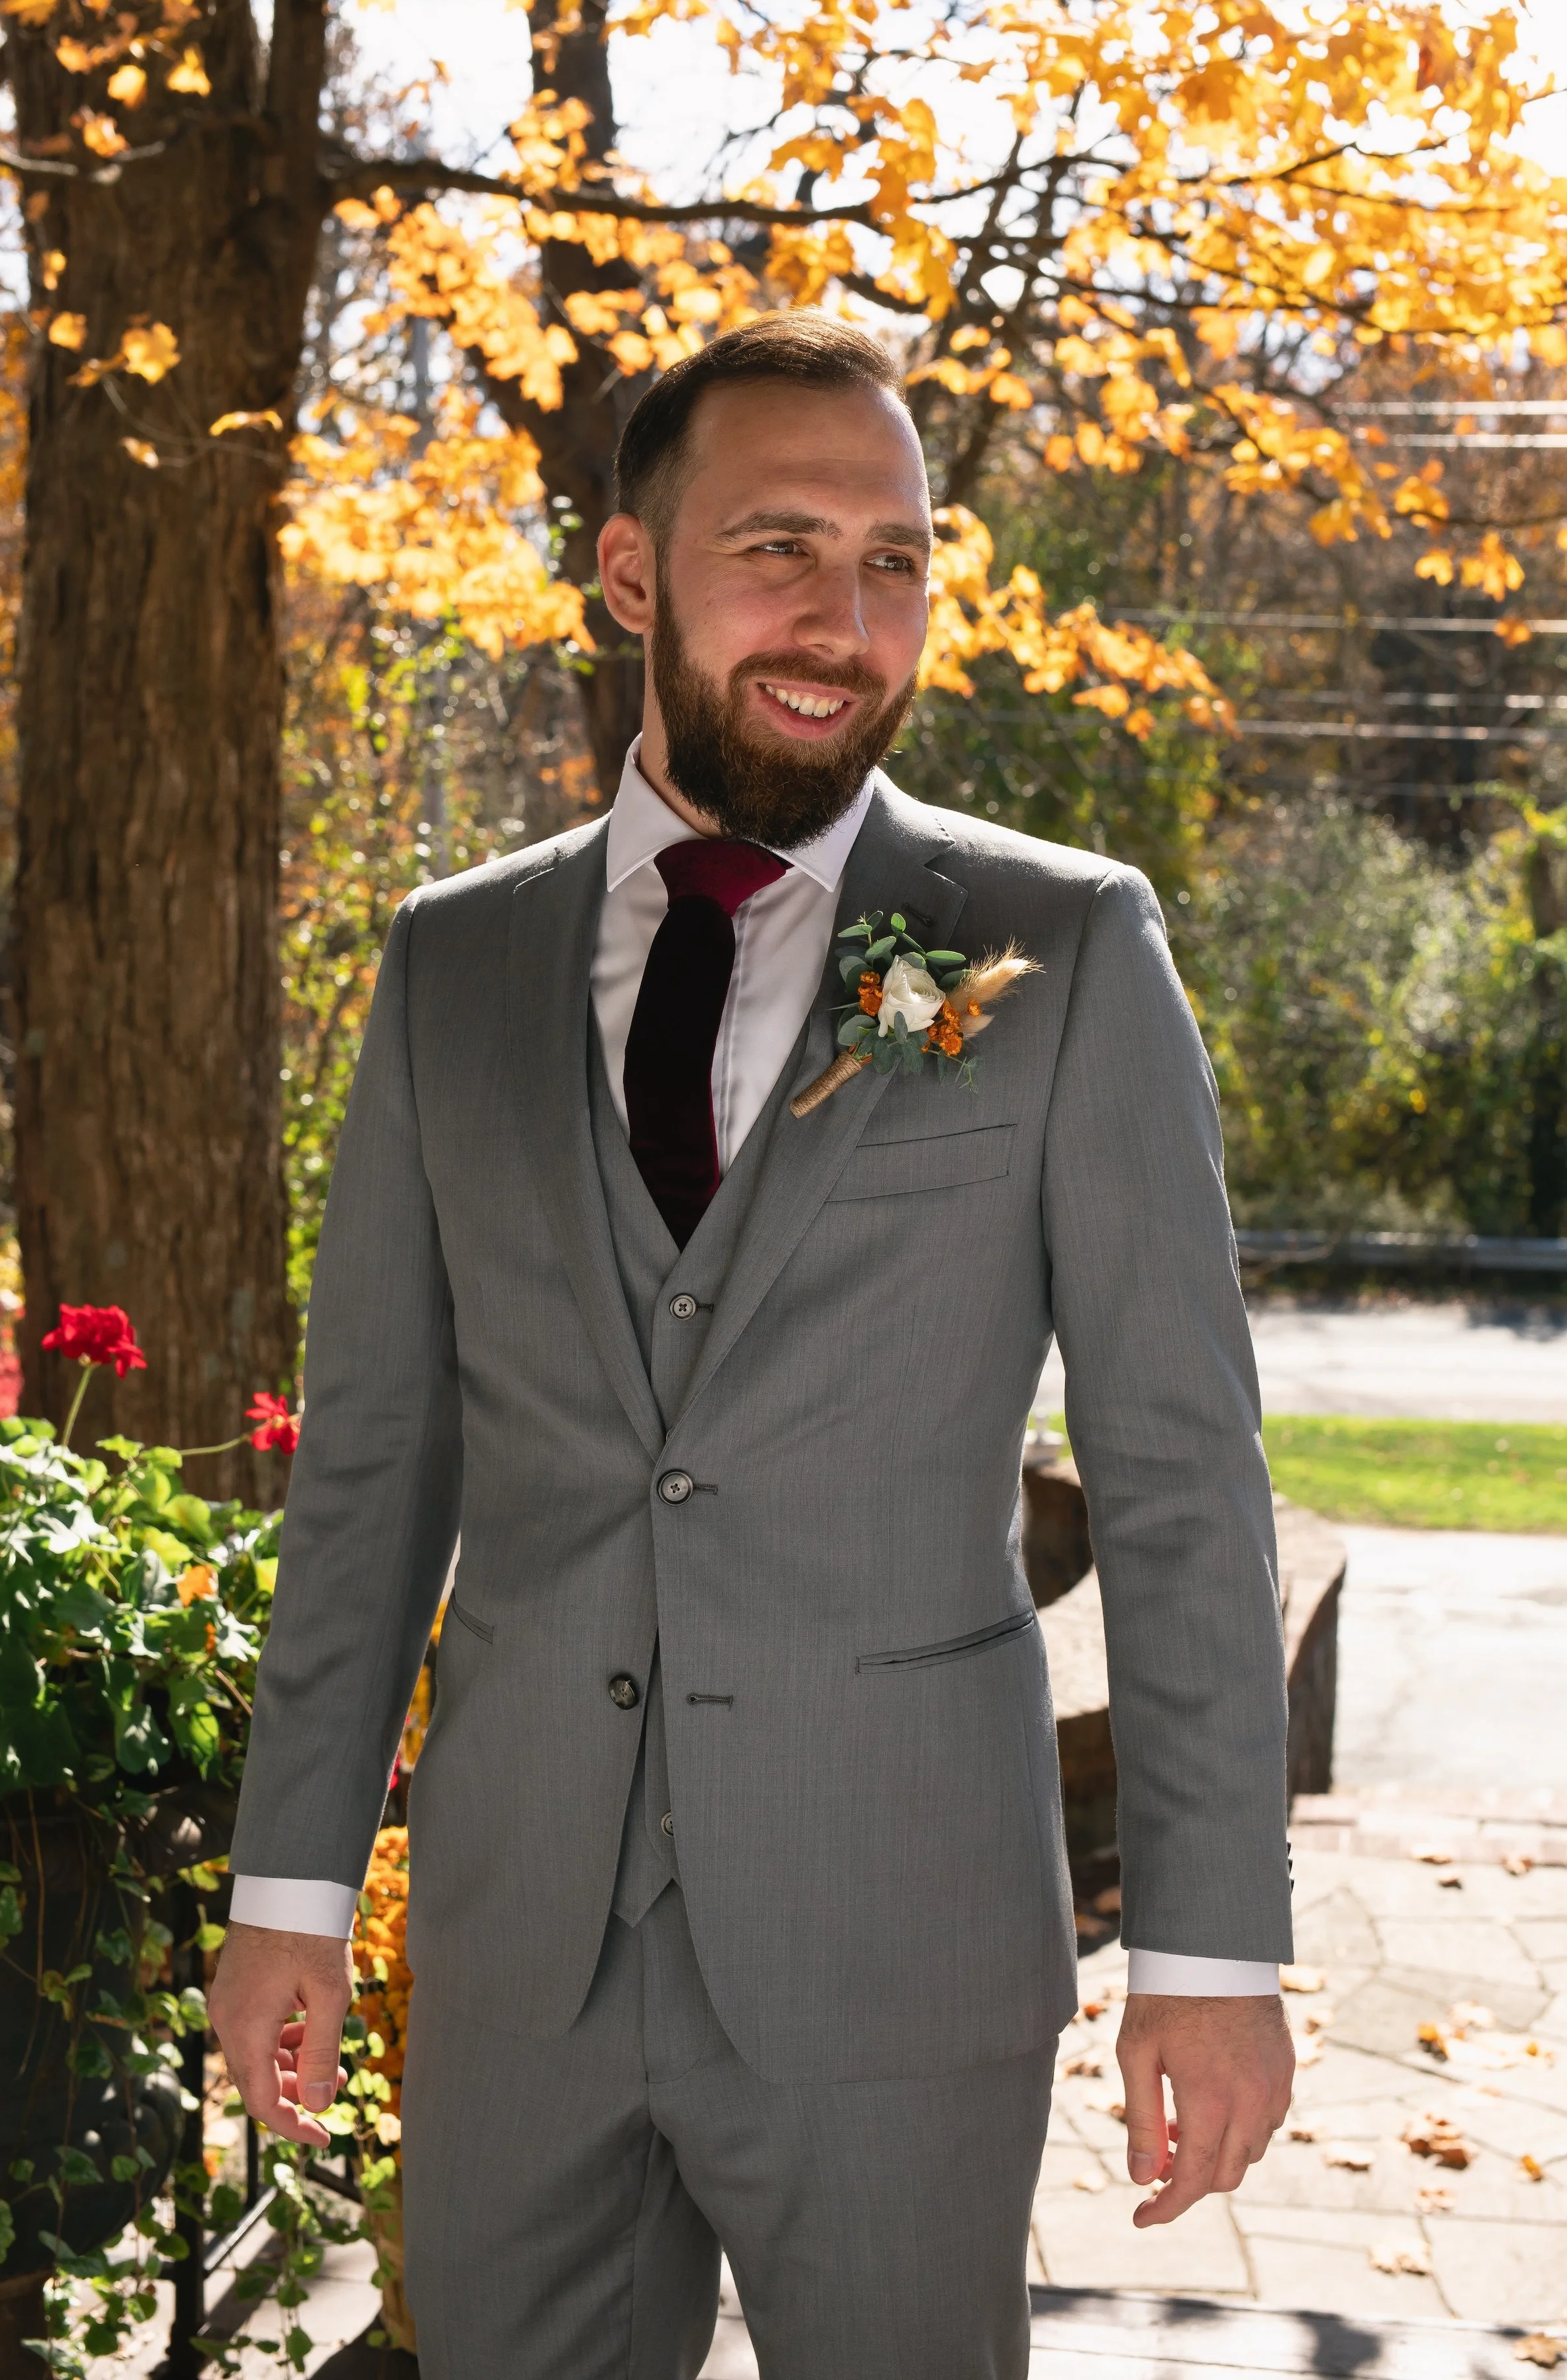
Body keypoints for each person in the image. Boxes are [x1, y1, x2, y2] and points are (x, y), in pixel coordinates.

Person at [211, 311, 1295, 2379]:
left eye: (892, 559)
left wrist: (1211, 1945)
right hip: (522, 1940)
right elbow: (370, 1466)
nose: (842, 617)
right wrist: (292, 1879)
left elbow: (1176, 1475)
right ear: (632, 573)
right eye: (778, 547)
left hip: (899, 1935)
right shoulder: (454, 962)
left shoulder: (1054, 945)